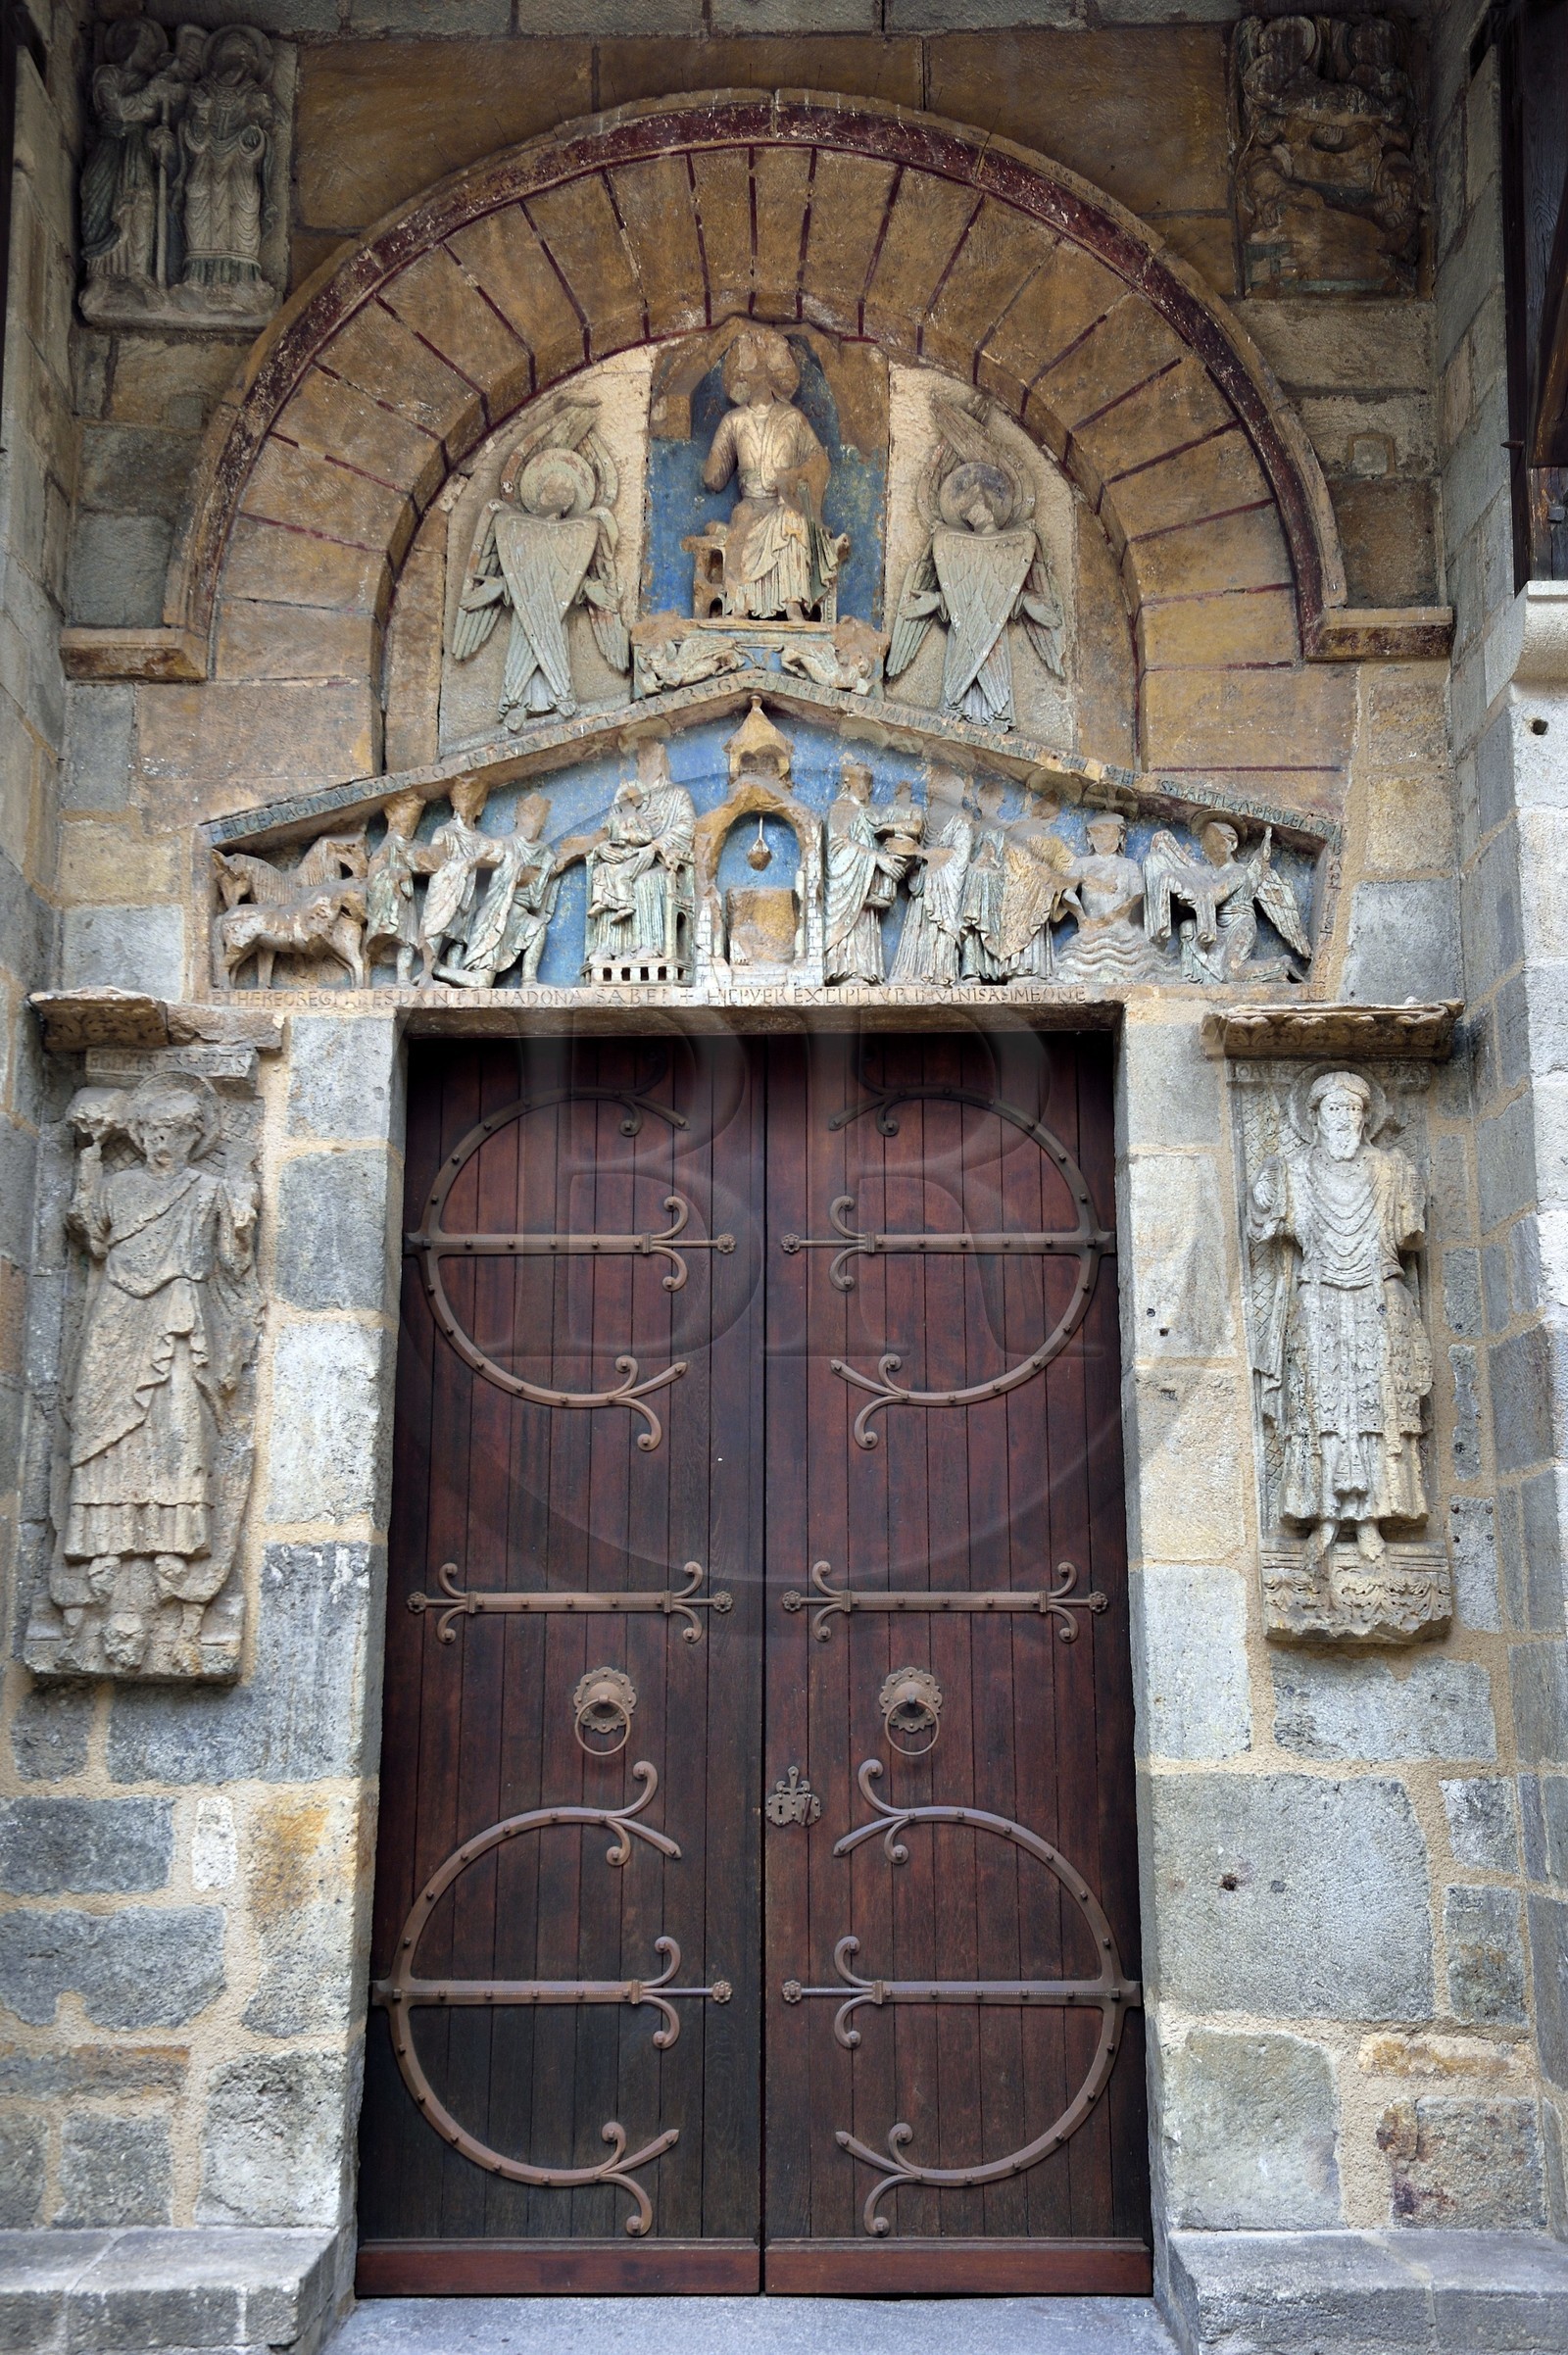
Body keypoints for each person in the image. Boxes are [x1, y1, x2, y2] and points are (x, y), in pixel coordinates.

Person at [59, 1078, 257, 1675]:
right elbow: (90, 1236)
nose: (163, 1143)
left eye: (177, 1133)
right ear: (140, 1135)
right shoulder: (117, 1188)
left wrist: (243, 1211)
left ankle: (173, 1545)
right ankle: (104, 1547)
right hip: (116, 1317)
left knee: (175, 1425)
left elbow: (233, 1262)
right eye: (153, 1133)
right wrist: (90, 1157)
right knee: (102, 1429)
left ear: (197, 1138)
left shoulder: (210, 1190)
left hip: (176, 1315)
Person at [1248, 1070, 1430, 1564]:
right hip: (1318, 1297)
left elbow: (1410, 1232)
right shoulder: (1294, 1169)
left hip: (1377, 1294)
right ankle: (1324, 1517)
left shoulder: (1392, 1170)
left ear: (1367, 1118)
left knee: (1378, 1405)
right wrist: (1266, 1197)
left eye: (1352, 1110)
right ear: (1315, 1117)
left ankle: (1372, 1519)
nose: (1343, 1118)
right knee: (1318, 1406)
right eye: (1333, 1109)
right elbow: (1264, 1222)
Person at [700, 328, 845, 622]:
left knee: (791, 521)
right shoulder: (734, 421)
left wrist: (794, 474)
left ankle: (793, 605)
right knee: (741, 523)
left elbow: (819, 459)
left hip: (783, 501)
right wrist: (713, 464)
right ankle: (741, 606)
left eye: (766, 373)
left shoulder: (793, 418)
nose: (758, 380)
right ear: (739, 376)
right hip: (751, 504)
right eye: (751, 372)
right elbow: (715, 477)